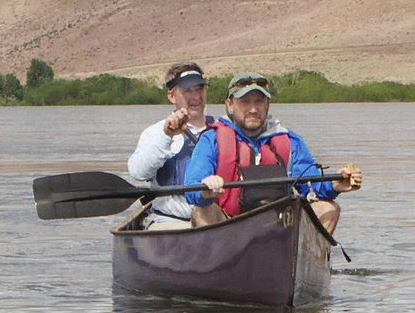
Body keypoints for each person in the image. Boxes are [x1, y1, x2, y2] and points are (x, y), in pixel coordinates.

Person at [178, 72, 362, 229]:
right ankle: (219, 267)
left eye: (259, 102)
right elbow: (192, 189)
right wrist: (206, 188)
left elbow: (311, 186)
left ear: (267, 105)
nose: (253, 109)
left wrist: (335, 185)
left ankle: (302, 265)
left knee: (328, 208)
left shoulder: (290, 141)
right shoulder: (211, 139)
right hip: (227, 227)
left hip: (279, 228)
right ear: (230, 104)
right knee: (201, 210)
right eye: (245, 102)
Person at [125, 63, 211, 220]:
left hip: (217, 221)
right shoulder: (155, 133)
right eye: (187, 91)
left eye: (199, 89)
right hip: (170, 221)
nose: (196, 96)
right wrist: (167, 136)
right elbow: (138, 172)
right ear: (172, 96)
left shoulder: (222, 130)